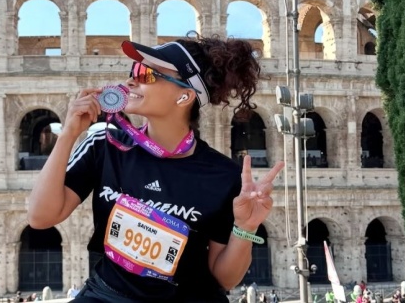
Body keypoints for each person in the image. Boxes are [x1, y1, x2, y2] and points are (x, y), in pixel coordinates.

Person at [28, 36, 285, 302]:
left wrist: (246, 227)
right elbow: (40, 217)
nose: (131, 81)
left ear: (184, 95)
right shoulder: (105, 146)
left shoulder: (223, 175)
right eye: (133, 71)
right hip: (108, 295)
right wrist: (68, 134)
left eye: (146, 74)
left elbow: (225, 278)